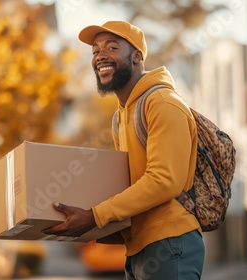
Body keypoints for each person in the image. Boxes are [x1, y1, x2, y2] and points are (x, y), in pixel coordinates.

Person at [42, 21, 205, 279]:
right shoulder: (121, 117)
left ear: (137, 57)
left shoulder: (162, 103)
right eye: (95, 51)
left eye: (111, 47)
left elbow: (165, 181)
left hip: (169, 243)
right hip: (138, 248)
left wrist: (95, 216)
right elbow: (127, 185)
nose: (100, 56)